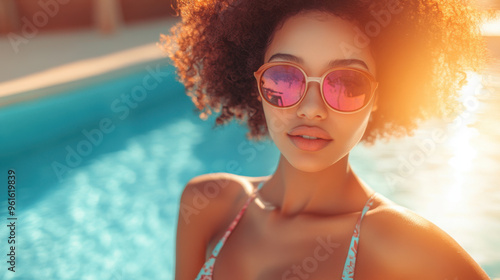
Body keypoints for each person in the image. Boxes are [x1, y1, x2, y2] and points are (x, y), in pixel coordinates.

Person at [160, 0, 492, 279]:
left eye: (347, 84)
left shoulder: (397, 240)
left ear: (381, 96)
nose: (311, 110)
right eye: (284, 78)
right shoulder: (206, 203)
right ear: (256, 84)